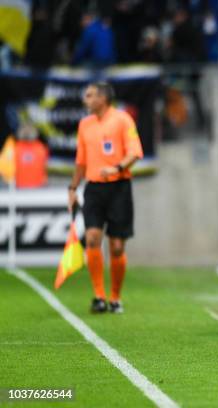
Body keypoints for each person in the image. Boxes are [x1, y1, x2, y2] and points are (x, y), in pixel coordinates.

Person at [68, 82, 143, 314]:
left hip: (119, 187)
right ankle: (99, 295)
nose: (85, 100)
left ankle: (115, 297)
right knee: (92, 238)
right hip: (94, 189)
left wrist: (117, 168)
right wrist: (72, 187)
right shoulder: (84, 125)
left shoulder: (122, 120)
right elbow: (81, 161)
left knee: (117, 247)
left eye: (90, 95)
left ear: (103, 98)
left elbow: (135, 152)